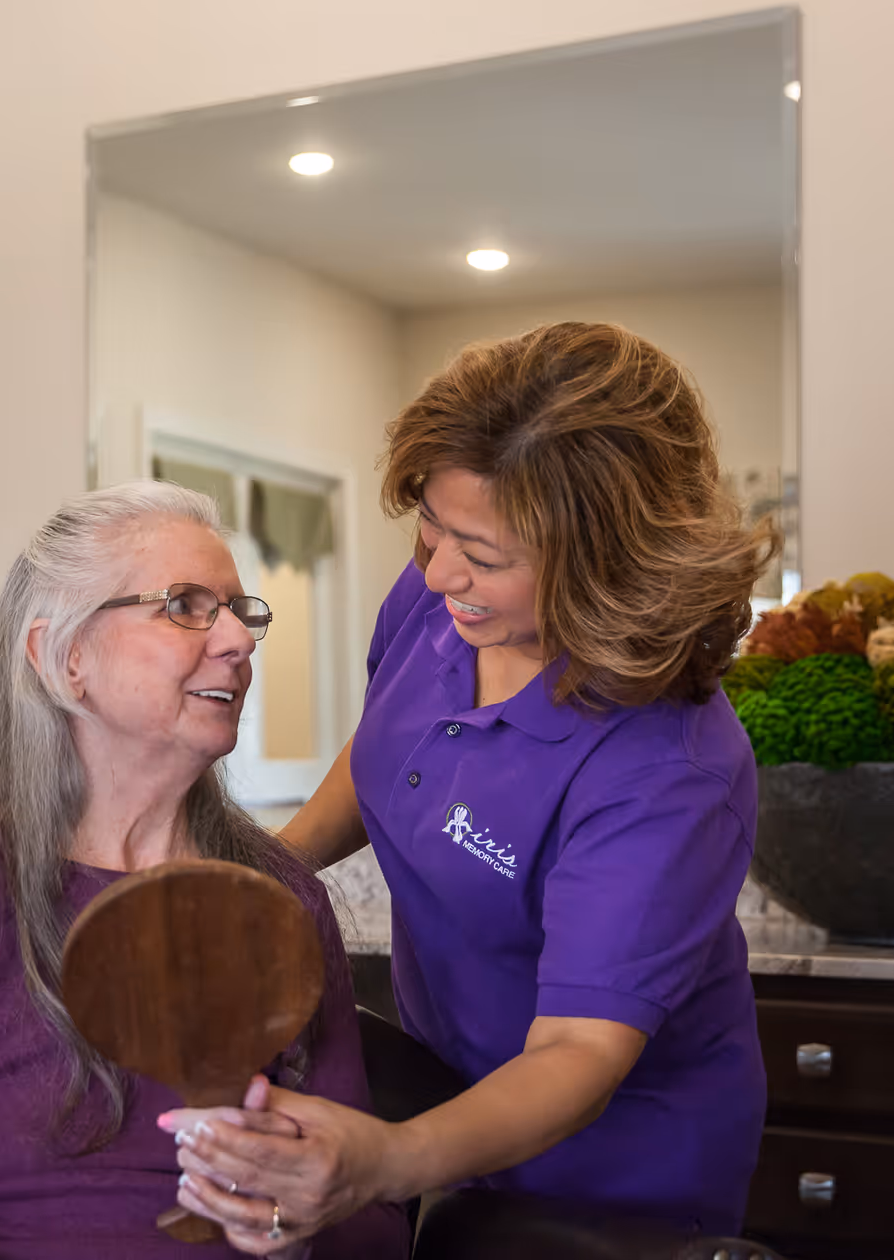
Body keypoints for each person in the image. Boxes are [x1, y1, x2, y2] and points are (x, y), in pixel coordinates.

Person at [165, 322, 777, 1249]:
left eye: (483, 556)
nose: (440, 571)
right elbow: (385, 751)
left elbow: (578, 1053)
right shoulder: (441, 601)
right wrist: (272, 873)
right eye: (432, 528)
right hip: (440, 1088)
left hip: (614, 1169)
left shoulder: (665, 769)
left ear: (608, 562)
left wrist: (387, 1158)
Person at [0, 482, 410, 1258]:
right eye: (185, 606)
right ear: (66, 658)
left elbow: (378, 1229)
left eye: (240, 611)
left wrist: (298, 1231)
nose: (239, 641)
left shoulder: (283, 898)